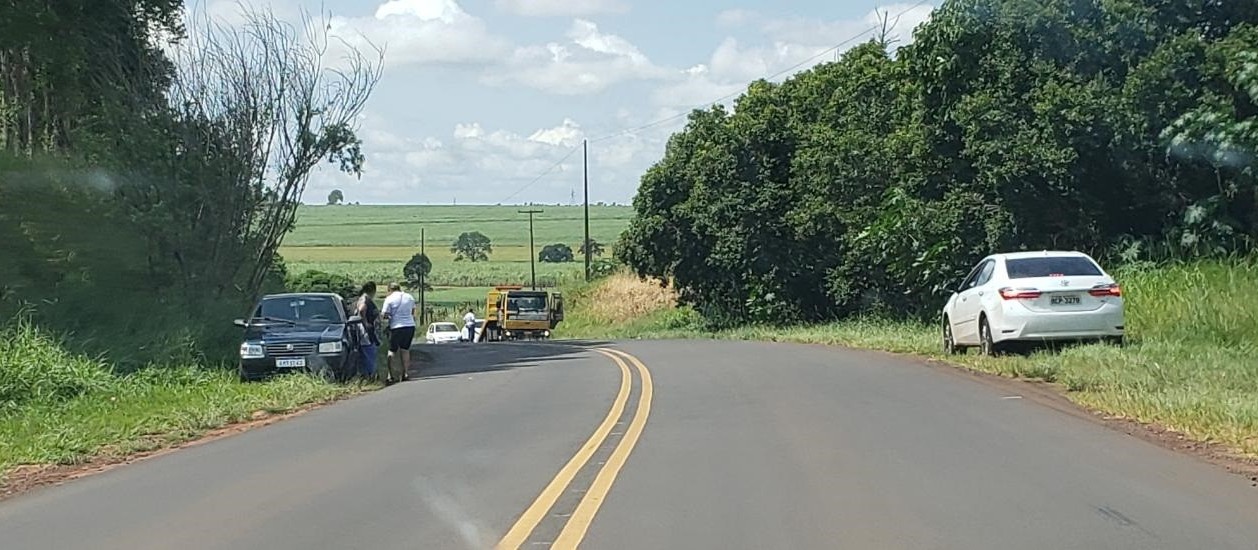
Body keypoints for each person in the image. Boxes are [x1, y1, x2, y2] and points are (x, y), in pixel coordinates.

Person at [380, 282, 417, 384]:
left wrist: (390, 317)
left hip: (396, 327)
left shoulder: (389, 299)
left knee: (392, 350)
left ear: (389, 290)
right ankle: (405, 373)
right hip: (409, 326)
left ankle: (391, 375)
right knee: (405, 350)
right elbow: (413, 312)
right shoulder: (409, 297)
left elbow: (384, 315)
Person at [355, 282, 381, 379]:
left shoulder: (364, 298)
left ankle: (368, 374)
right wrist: (365, 322)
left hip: (367, 331)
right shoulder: (365, 299)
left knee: (368, 353)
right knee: (369, 352)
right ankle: (370, 375)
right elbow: (362, 309)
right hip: (366, 332)